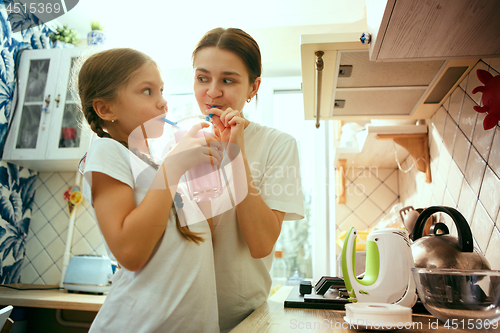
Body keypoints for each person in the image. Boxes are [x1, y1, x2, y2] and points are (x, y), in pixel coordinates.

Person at [77, 48, 222, 332]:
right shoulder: (107, 151)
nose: (163, 103)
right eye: (147, 91)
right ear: (106, 109)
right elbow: (130, 252)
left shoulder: (155, 168)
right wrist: (174, 166)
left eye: (162, 91)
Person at [192, 28, 305, 332]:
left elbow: (261, 243)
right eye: (203, 78)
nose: (212, 91)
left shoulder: (278, 145)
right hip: (181, 313)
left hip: (241, 319)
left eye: (227, 80)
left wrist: (235, 155)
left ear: (254, 87)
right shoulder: (181, 146)